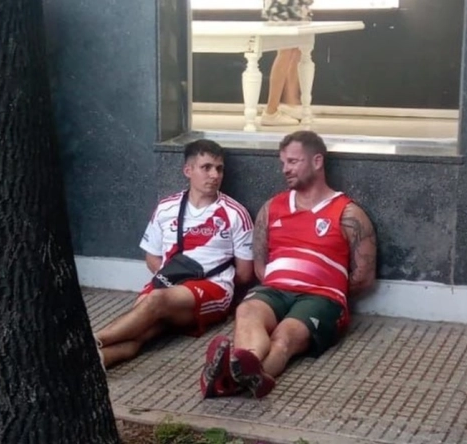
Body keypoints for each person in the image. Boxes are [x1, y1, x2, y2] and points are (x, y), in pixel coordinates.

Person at [199, 130, 377, 399]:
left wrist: (327, 287)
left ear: (317, 161)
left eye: (293, 162)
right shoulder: (272, 207)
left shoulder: (348, 213)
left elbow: (363, 278)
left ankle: (230, 380)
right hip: (275, 290)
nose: (286, 170)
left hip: (321, 296)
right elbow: (261, 266)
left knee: (283, 337)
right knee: (247, 311)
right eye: (283, 163)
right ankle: (245, 368)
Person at [94, 139, 254, 369]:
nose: (214, 175)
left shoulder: (235, 213)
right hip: (168, 282)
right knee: (143, 331)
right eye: (206, 167)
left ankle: (92, 341)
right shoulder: (166, 207)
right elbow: (151, 256)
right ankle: (93, 362)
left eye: (219, 168)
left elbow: (245, 274)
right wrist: (171, 284)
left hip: (213, 287)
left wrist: (180, 291)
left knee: (155, 301)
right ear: (188, 171)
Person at [261, 0, 313, 126]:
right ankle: (270, 111)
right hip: (284, 5)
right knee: (285, 51)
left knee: (296, 51)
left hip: (294, 5)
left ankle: (291, 103)